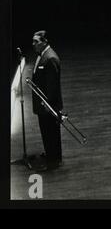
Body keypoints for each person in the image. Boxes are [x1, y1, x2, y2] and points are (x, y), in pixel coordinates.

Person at [31, 30, 63, 171]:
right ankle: (52, 154)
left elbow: (52, 86)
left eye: (36, 42)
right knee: (47, 131)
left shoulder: (50, 58)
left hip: (48, 104)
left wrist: (46, 104)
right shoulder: (42, 55)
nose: (33, 44)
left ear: (44, 42)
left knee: (51, 132)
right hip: (43, 103)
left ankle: (53, 161)